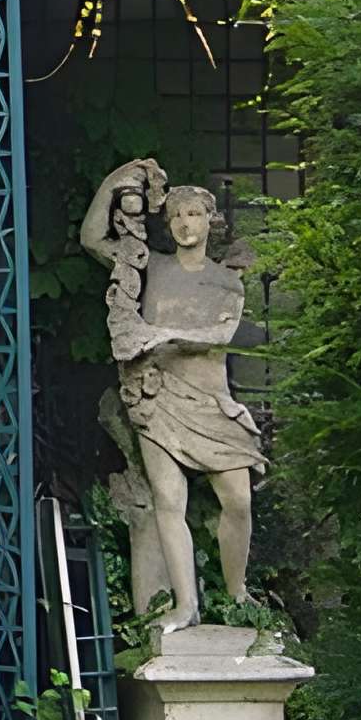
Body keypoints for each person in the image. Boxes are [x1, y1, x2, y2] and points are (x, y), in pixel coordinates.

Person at [78, 156, 262, 630]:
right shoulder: (151, 268)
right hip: (157, 400)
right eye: (176, 215)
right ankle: (186, 606)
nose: (184, 223)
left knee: (239, 501)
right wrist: (113, 182)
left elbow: (220, 335)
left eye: (194, 214)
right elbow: (92, 239)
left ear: (209, 221)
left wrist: (160, 334)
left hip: (212, 404)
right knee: (167, 499)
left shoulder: (226, 279)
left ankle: (237, 594)